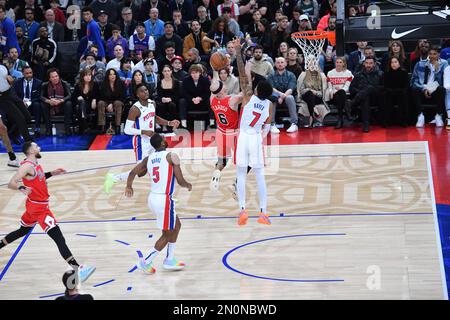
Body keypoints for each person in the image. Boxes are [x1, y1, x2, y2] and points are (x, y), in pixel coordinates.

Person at [1, 141, 96, 283]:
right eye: (36, 146)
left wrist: (52, 173)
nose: (39, 147)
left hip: (34, 206)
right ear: (31, 150)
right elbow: (11, 183)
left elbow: (38, 179)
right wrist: (21, 188)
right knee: (59, 238)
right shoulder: (27, 166)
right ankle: (77, 269)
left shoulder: (34, 165)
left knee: (22, 231)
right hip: (40, 209)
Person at [125, 133, 191, 274]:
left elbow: (132, 173)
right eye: (163, 138)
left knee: (176, 225)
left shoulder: (148, 158)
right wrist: (187, 185)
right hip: (164, 200)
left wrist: (129, 186)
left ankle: (170, 258)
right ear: (161, 143)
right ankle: (146, 261)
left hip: (153, 198)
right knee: (167, 234)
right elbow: (179, 180)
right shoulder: (171, 156)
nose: (166, 140)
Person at [104, 84, 180, 193]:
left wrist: (169, 122)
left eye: (146, 90)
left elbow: (155, 118)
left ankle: (165, 193)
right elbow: (127, 129)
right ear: (137, 94)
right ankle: (113, 178)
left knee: (160, 164)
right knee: (141, 172)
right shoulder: (135, 109)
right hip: (141, 141)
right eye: (142, 91)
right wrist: (144, 132)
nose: (146, 92)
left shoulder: (152, 103)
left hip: (153, 140)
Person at [233, 38, 273, 226]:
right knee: (259, 175)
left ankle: (242, 210)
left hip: (244, 137)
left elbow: (241, 73)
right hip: (256, 137)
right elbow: (267, 125)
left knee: (241, 174)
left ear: (257, 89)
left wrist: (239, 52)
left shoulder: (249, 96)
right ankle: (263, 213)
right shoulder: (269, 105)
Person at [209, 77, 242, 191]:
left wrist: (215, 70)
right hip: (233, 134)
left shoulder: (212, 98)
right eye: (223, 84)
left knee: (222, 160)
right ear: (222, 90)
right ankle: (237, 184)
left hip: (220, 132)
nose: (225, 84)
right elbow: (247, 93)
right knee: (241, 161)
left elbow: (214, 87)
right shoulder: (232, 100)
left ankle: (217, 172)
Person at [411, 46, 448, 128]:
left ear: (439, 54)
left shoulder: (444, 63)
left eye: (434, 54)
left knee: (442, 89)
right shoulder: (420, 63)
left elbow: (444, 81)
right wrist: (424, 88)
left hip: (436, 88)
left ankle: (438, 115)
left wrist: (437, 69)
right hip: (423, 88)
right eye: (430, 54)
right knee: (414, 89)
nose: (432, 56)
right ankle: (420, 116)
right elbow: (414, 80)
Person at [349, 56, 384, 132]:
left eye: (371, 63)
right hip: (363, 99)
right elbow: (351, 88)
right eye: (367, 63)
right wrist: (361, 92)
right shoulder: (358, 74)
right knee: (365, 96)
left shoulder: (380, 74)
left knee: (369, 88)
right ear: (364, 63)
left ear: (374, 64)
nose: (368, 65)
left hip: (376, 98)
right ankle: (366, 124)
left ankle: (352, 104)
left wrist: (371, 89)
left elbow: (383, 88)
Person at [0, 62, 33, 142]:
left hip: (11, 93)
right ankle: (28, 142)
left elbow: (8, 79)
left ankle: (11, 133)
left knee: (27, 116)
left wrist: (11, 81)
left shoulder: (2, 66)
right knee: (20, 118)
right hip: (3, 97)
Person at [267, 56, 298, 133]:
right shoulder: (271, 75)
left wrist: (283, 96)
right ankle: (272, 124)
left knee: (290, 97)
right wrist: (280, 95)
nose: (280, 64)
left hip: (287, 97)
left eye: (282, 62)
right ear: (275, 64)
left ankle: (294, 123)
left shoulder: (291, 75)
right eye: (278, 62)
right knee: (272, 98)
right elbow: (271, 88)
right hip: (276, 97)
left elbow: (291, 89)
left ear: (285, 64)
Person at [40, 68, 73, 136]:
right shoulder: (45, 85)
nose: (55, 78)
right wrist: (49, 101)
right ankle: (48, 129)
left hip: (62, 105)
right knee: (43, 104)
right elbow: (41, 96)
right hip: (51, 105)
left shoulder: (64, 83)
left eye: (56, 76)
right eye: (53, 77)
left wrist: (61, 100)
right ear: (49, 78)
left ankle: (67, 128)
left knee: (68, 104)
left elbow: (69, 95)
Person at [12, 66, 43, 136]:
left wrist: (29, 102)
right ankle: (17, 130)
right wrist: (21, 102)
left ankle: (37, 128)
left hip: (33, 103)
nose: (29, 75)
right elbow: (14, 95)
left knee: (37, 104)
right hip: (21, 104)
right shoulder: (17, 83)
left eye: (30, 73)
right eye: (27, 73)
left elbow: (39, 96)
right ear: (23, 74)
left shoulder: (38, 83)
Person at [179, 64, 212, 129]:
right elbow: (184, 93)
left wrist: (200, 98)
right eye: (193, 73)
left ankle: (212, 122)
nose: (195, 75)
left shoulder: (205, 80)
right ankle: (183, 123)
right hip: (190, 102)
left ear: (199, 73)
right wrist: (192, 99)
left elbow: (208, 93)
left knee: (210, 100)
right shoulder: (186, 80)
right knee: (182, 101)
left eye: (196, 72)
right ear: (190, 74)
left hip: (202, 102)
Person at [326, 57, 353, 129]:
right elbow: (330, 87)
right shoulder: (330, 73)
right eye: (337, 62)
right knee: (339, 95)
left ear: (344, 63)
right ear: (335, 63)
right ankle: (347, 113)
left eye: (340, 62)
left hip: (345, 94)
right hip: (334, 95)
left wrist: (340, 89)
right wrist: (332, 91)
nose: (338, 64)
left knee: (341, 93)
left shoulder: (348, 73)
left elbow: (347, 87)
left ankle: (340, 119)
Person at [382, 56, 409, 127]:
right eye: (392, 62)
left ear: (399, 63)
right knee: (386, 96)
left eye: (395, 62)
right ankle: (386, 121)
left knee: (404, 95)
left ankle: (403, 121)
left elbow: (406, 86)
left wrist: (399, 91)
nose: (393, 64)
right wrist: (391, 91)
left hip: (401, 92)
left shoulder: (404, 72)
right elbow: (385, 86)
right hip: (390, 92)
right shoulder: (386, 73)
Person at [97, 68, 126, 135]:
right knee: (100, 103)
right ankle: (102, 126)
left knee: (118, 103)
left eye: (114, 74)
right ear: (107, 76)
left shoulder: (121, 83)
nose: (113, 76)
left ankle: (117, 126)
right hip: (106, 101)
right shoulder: (103, 84)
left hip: (118, 101)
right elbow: (101, 96)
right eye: (110, 74)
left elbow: (122, 97)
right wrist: (109, 104)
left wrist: (112, 104)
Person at [72, 68, 99, 134]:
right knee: (82, 103)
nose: (88, 77)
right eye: (86, 75)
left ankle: (84, 125)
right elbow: (73, 98)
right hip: (82, 107)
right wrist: (78, 97)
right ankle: (84, 123)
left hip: (92, 106)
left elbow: (99, 95)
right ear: (82, 77)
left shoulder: (95, 84)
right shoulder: (78, 86)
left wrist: (95, 99)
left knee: (82, 106)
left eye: (89, 75)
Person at [156, 65, 181, 130]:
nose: (167, 73)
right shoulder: (159, 83)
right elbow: (159, 95)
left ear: (171, 72)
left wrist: (170, 99)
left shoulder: (176, 82)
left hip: (173, 101)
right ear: (162, 72)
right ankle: (164, 125)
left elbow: (178, 95)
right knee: (161, 105)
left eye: (168, 71)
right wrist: (162, 99)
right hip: (163, 101)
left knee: (171, 105)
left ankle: (174, 125)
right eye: (165, 71)